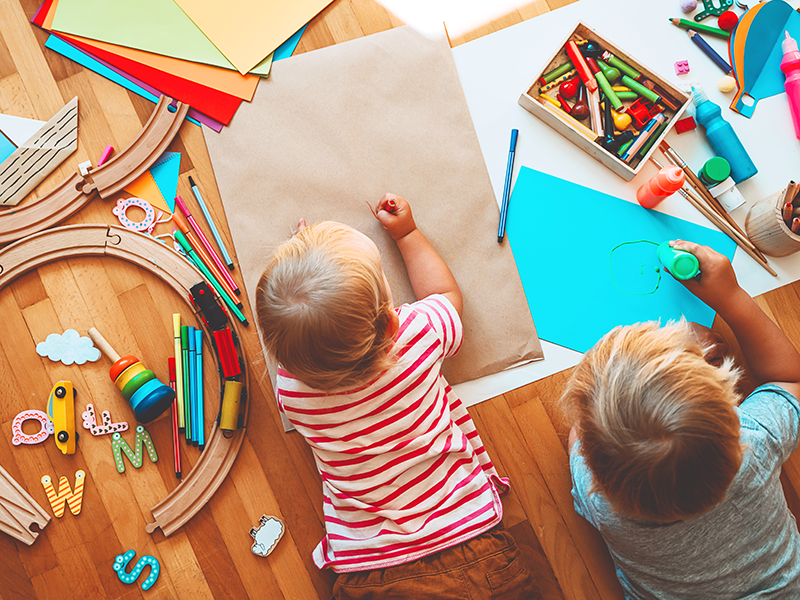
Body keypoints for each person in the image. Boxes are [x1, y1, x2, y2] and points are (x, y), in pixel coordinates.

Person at [255, 193, 537, 599]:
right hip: (470, 542)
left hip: (370, 569)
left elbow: (299, 343)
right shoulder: (416, 336)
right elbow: (446, 297)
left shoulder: (295, 395)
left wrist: (307, 285)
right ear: (388, 324)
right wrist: (407, 234)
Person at [562, 240, 800, 599]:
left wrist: (605, 378)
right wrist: (731, 297)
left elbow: (578, 436)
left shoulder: (604, 508)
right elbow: (790, 379)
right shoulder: (756, 443)